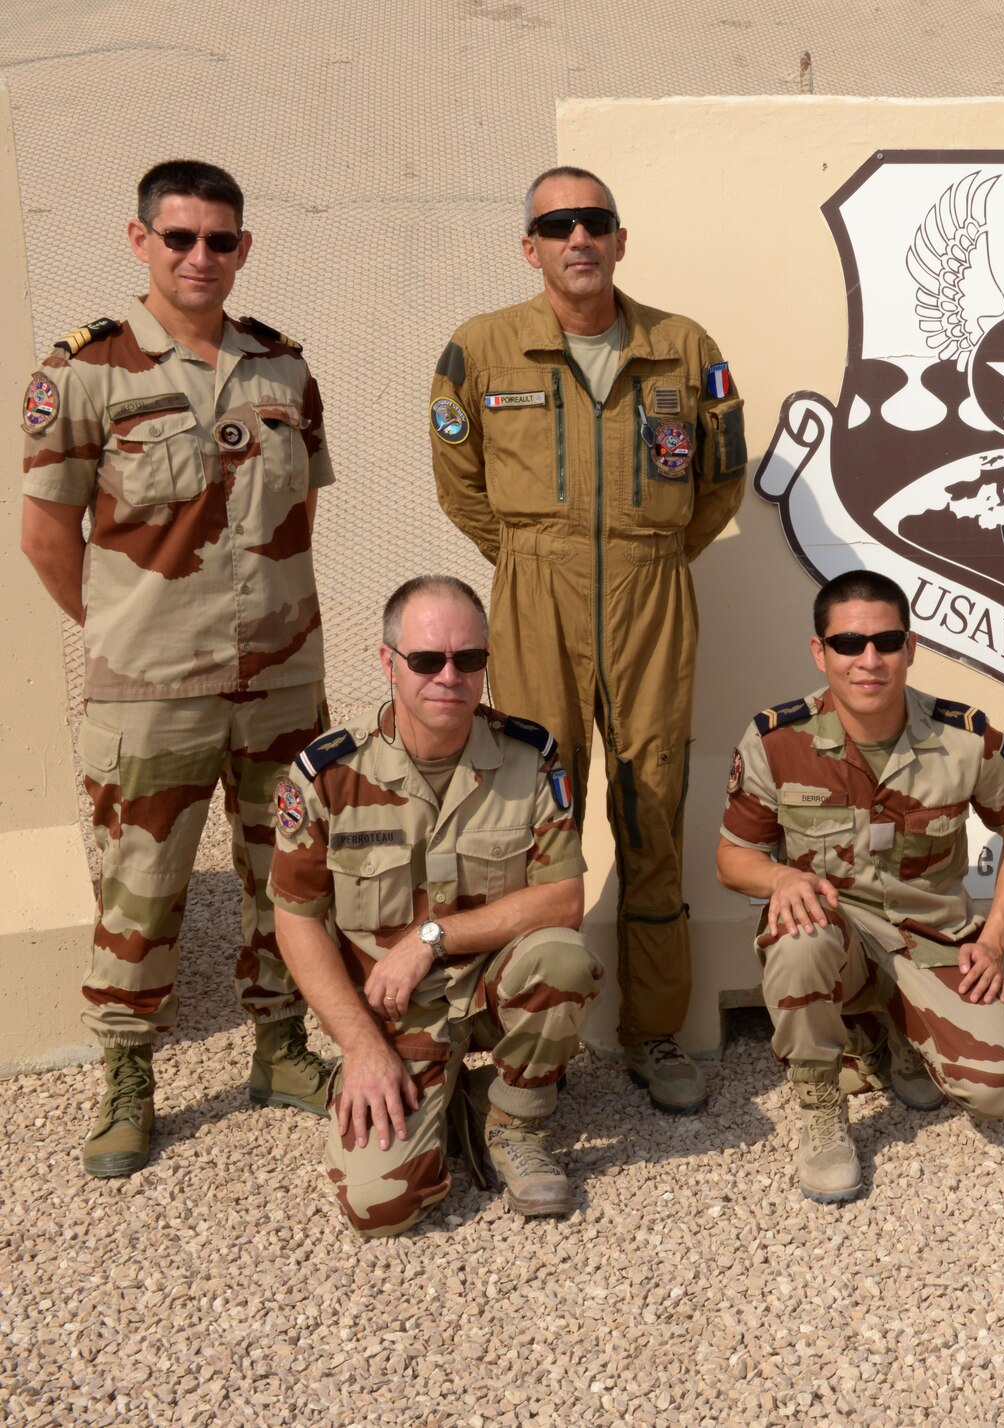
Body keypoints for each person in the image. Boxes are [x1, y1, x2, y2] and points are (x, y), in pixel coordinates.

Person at [19, 160, 335, 1177]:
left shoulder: (283, 369)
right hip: (149, 688)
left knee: (287, 874)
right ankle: (127, 1075)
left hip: (282, 679)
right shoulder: (86, 372)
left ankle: (282, 1050)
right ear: (140, 240)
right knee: (143, 887)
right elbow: (44, 536)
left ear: (244, 247)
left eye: (221, 240)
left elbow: (299, 515)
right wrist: (123, 626)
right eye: (180, 238)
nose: (201, 257)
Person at [430, 166, 747, 1115]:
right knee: (535, 811)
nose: (578, 238)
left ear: (619, 238)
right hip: (533, 592)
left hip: (653, 588)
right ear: (529, 245)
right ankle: (539, 1038)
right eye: (557, 224)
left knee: (653, 805)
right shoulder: (482, 349)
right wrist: (533, 559)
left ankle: (654, 1032)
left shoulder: (681, 348)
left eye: (595, 221)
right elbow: (460, 483)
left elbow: (719, 482)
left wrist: (651, 555)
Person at [270, 577, 600, 1236]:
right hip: (394, 1012)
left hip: (487, 990)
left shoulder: (529, 758)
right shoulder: (330, 776)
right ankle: (448, 1099)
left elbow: (563, 900)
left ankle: (513, 1123)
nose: (449, 676)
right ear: (388, 662)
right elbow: (296, 920)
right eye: (426, 660)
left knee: (563, 957)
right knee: (381, 1210)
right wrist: (361, 1047)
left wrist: (431, 937)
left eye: (468, 660)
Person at [715, 571, 1004, 1202]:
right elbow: (733, 858)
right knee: (797, 934)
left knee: (998, 1089)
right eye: (848, 644)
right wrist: (783, 875)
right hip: (836, 935)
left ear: (910, 647)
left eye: (886, 642)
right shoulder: (777, 741)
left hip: (932, 941)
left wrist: (995, 939)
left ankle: (889, 1036)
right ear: (820, 652)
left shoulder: (964, 740)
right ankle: (819, 1106)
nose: (869, 660)